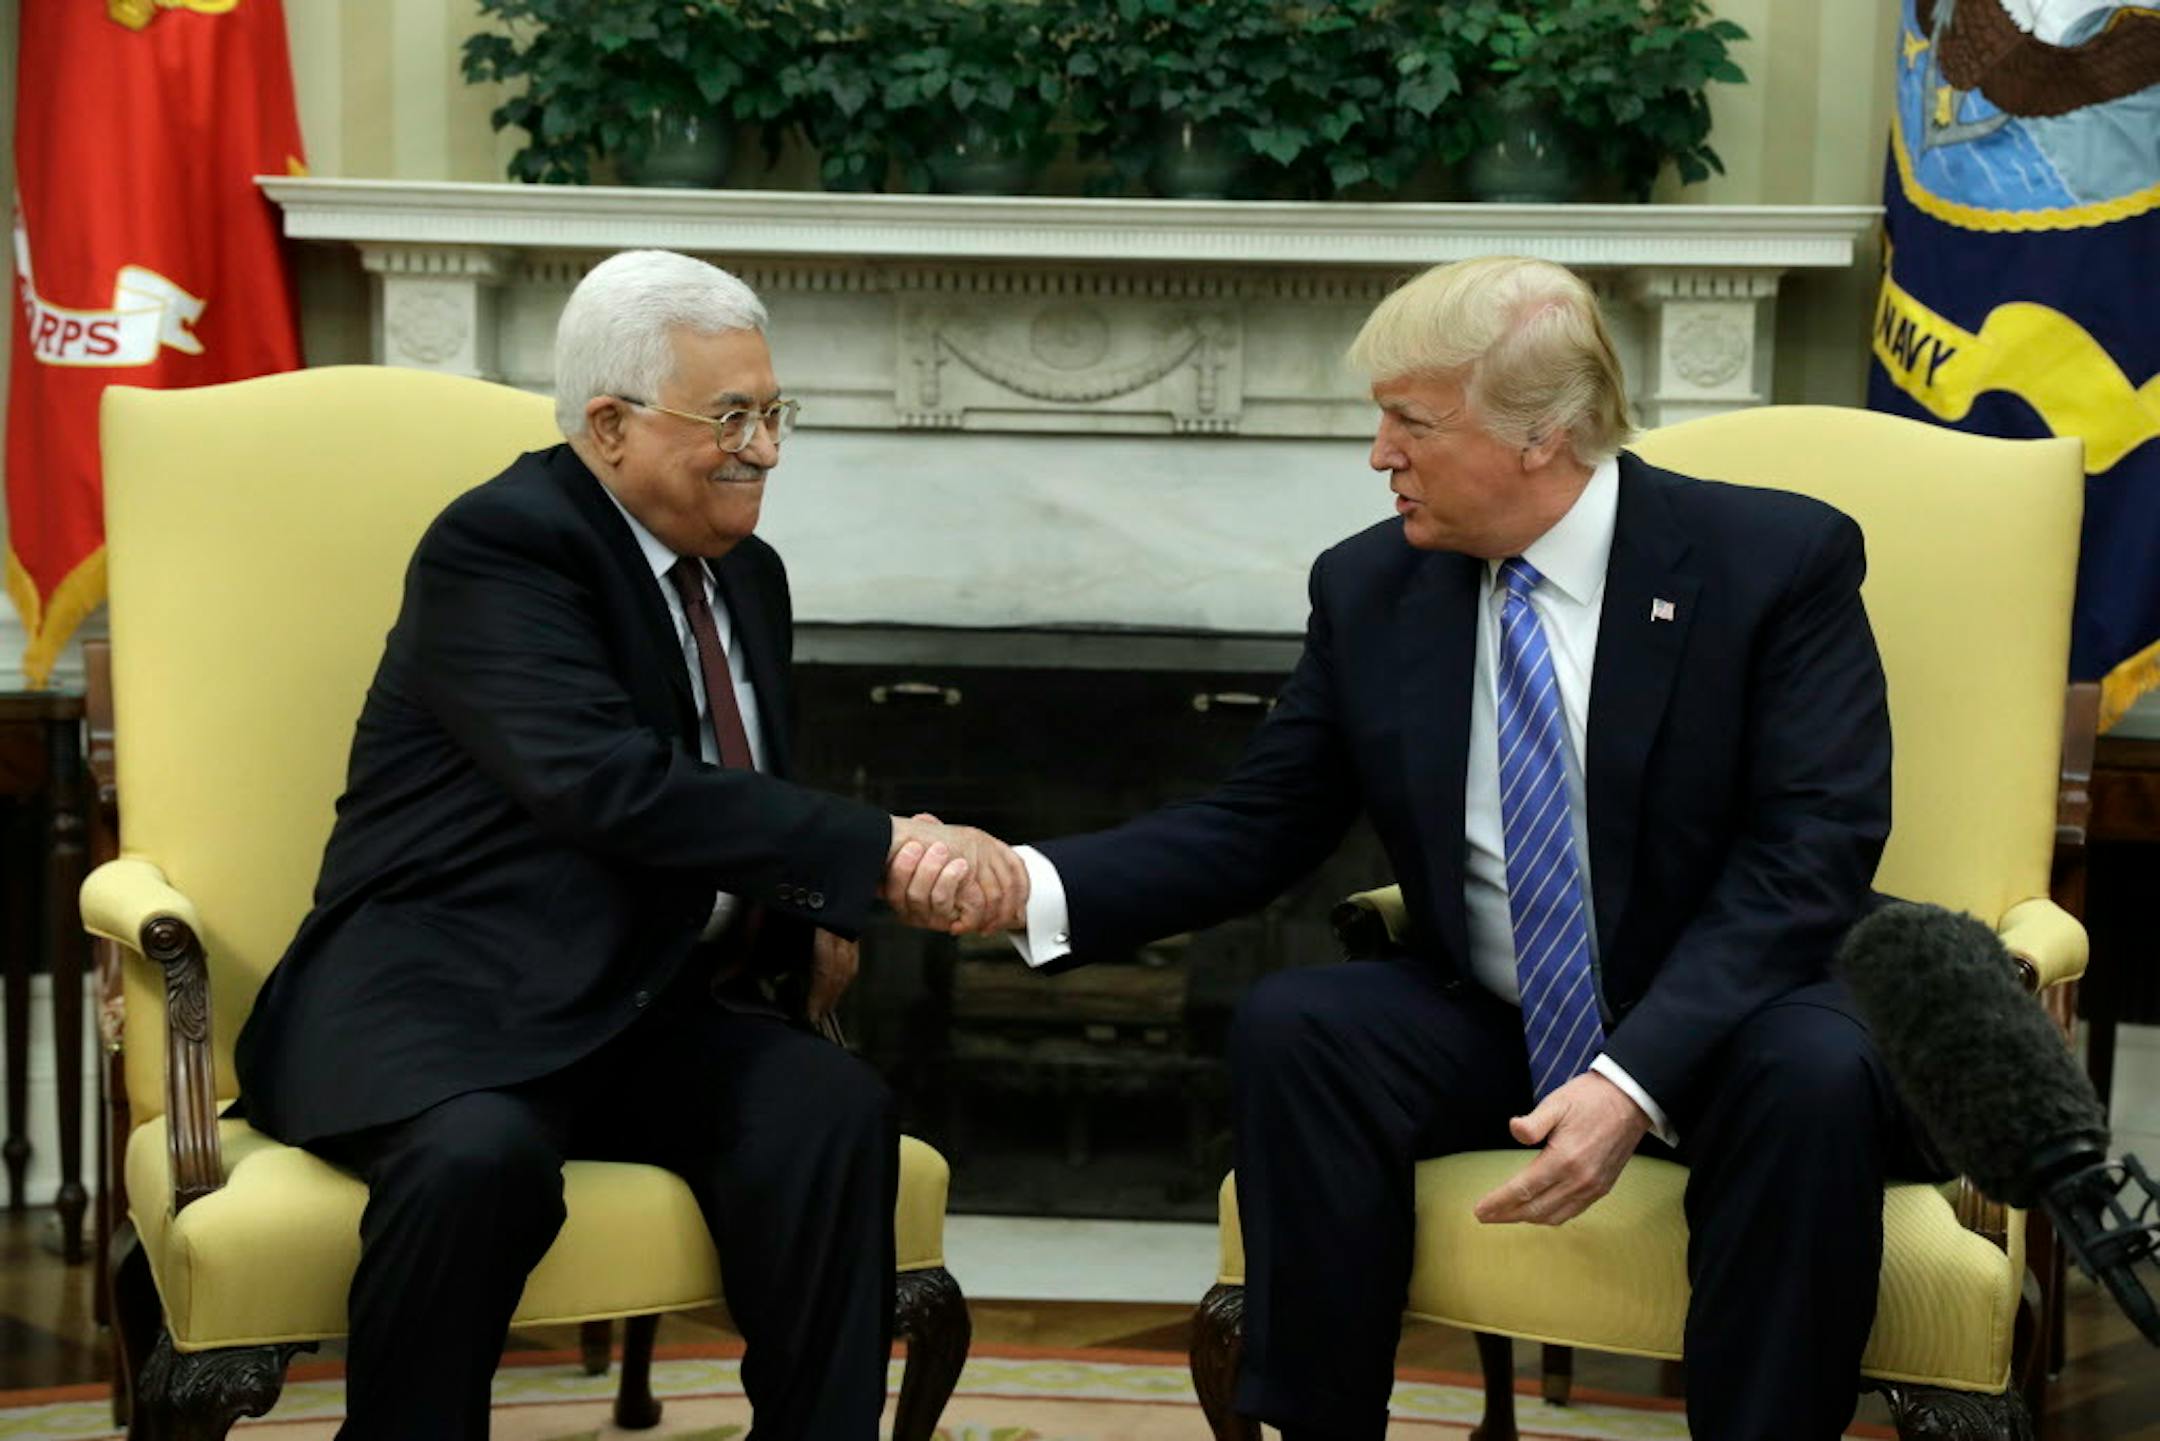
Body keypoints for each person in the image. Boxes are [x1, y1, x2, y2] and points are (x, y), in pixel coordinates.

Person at [897, 255, 1940, 1439]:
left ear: (1542, 433)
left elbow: (1812, 850)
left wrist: (1629, 1077)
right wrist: (1023, 881)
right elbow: (1258, 825)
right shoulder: (1374, 586)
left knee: (1813, 1078)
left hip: (1738, 1008)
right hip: (1505, 1016)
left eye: (1410, 421)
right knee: (1304, 1027)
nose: (1380, 453)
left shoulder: (1773, 560)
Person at [233, 248, 1014, 1441]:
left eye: (774, 411)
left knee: (832, 1111)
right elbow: (609, 786)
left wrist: (804, 905)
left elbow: (744, 786)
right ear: (609, 424)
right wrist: (879, 850)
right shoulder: (503, 545)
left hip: (647, 1000)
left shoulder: (746, 574)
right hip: (452, 998)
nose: (764, 447)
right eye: (732, 417)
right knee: (476, 1160)